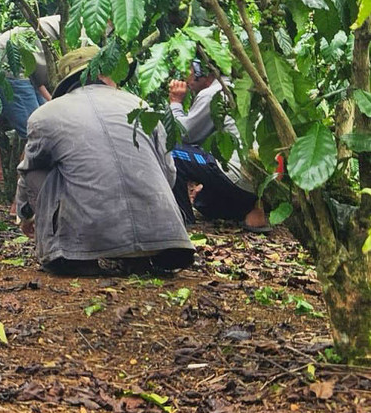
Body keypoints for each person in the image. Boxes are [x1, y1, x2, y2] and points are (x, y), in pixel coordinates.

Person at [16, 46, 195, 276]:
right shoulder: (141, 106)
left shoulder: (46, 116)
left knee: (36, 168)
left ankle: (76, 253)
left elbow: (28, 171)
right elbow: (169, 173)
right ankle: (141, 249)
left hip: (88, 238)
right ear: (105, 74)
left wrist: (26, 214)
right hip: (167, 239)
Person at [169, 60, 270, 232]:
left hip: (239, 176)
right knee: (203, 202)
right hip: (261, 182)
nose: (187, 77)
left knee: (173, 152)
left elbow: (183, 135)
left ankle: (184, 221)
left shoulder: (213, 94)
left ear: (203, 71)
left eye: (190, 70)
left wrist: (176, 102)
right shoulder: (240, 89)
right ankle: (251, 210)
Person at [0, 14, 61, 139]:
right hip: (7, 61)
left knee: (49, 124)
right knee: (37, 132)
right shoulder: (84, 31)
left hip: (26, 66)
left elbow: (38, 76)